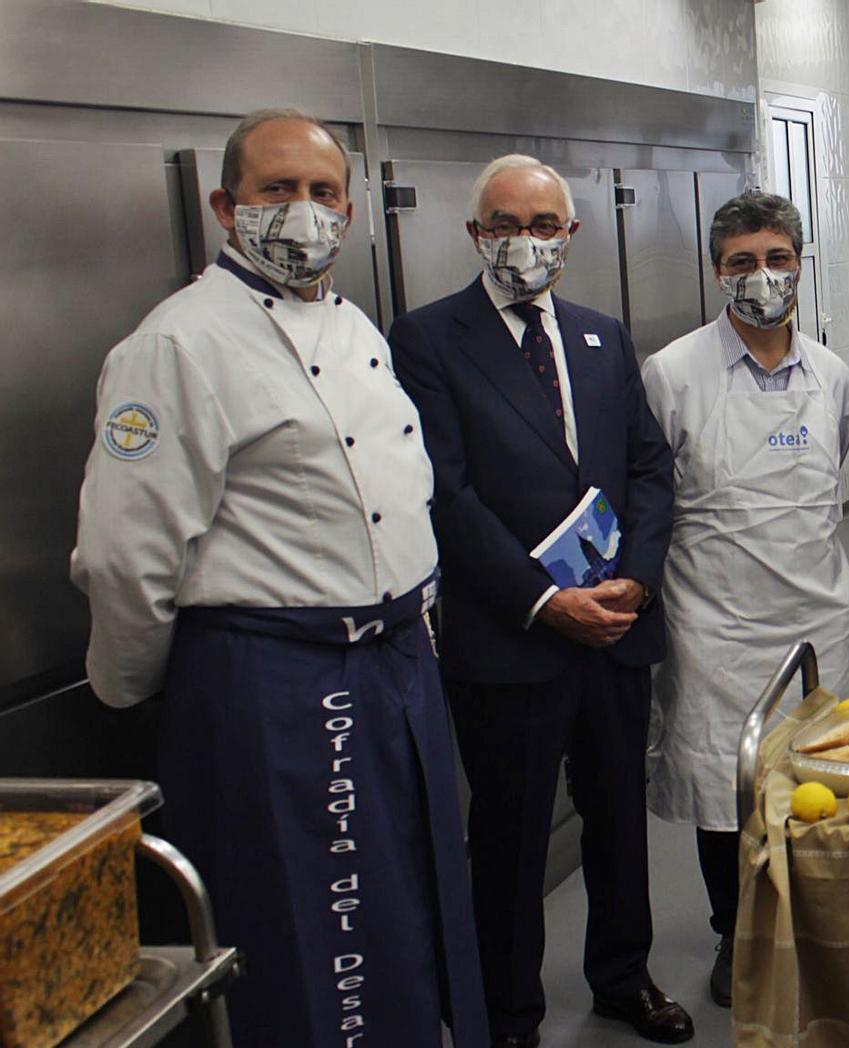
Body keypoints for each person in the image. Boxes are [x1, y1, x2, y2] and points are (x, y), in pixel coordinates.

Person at [71, 108, 487, 1048]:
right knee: (319, 930)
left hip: (397, 668)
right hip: (278, 681)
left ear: (351, 209)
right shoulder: (176, 344)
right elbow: (121, 553)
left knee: (417, 898)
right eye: (277, 190)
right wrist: (154, 694)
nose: (304, 215)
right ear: (225, 205)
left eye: (324, 193)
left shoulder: (356, 329)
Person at [389, 155, 688, 1047]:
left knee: (618, 821)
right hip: (511, 637)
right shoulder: (428, 339)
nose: (526, 243)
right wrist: (541, 601)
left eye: (545, 225)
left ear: (573, 235)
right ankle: (506, 1011)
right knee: (513, 838)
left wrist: (634, 575)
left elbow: (647, 467)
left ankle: (622, 977)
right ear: (476, 232)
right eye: (506, 224)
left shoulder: (600, 336)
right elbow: (444, 492)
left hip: (615, 630)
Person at [641, 191, 849, 1009]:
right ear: (716, 273)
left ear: (801, 267)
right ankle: (734, 935)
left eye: (776, 259)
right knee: (721, 790)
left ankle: (816, 926)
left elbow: (832, 470)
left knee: (823, 782)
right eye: (741, 262)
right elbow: (653, 490)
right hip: (714, 620)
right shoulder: (671, 373)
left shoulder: (832, 374)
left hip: (818, 614)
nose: (761, 277)